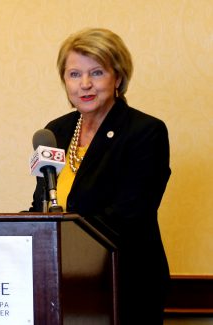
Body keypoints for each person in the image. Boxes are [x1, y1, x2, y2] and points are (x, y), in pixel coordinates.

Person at [29, 28, 171, 324]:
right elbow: (41, 210)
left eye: (97, 72)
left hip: (124, 285)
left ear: (118, 77)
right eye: (74, 74)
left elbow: (129, 216)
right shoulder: (57, 131)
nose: (85, 84)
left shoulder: (145, 132)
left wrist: (58, 242)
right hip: (62, 286)